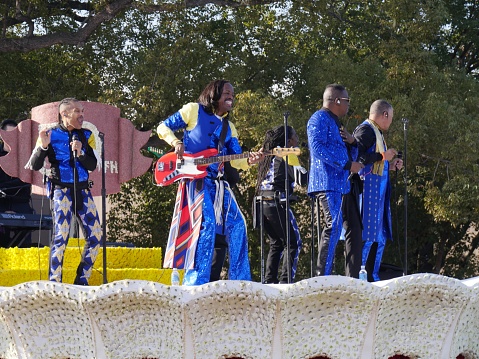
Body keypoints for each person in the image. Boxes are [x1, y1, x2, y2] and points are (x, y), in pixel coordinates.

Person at [157, 79, 263, 286]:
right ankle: (195, 282)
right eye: (227, 93)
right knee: (206, 225)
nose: (231, 97)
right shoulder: (193, 111)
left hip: (217, 184)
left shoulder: (228, 127)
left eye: (233, 94)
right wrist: (176, 142)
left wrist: (251, 160)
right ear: (214, 94)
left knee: (238, 225)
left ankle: (241, 282)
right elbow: (163, 127)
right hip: (196, 182)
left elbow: (237, 158)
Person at [26, 98, 102, 285]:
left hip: (83, 191)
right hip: (61, 190)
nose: (81, 115)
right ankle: (55, 283)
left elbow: (92, 165)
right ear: (64, 114)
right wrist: (43, 146)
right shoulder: (49, 134)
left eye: (82, 111)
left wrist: (81, 152)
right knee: (62, 236)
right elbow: (35, 165)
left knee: (96, 236)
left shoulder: (86, 134)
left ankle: (82, 281)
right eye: (77, 111)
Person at [307, 84, 364, 276]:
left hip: (341, 184)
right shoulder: (318, 119)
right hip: (326, 182)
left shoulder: (336, 122)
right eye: (347, 101)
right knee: (334, 225)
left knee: (341, 226)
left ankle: (328, 273)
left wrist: (353, 142)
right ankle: (321, 275)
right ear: (337, 100)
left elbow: (349, 154)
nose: (349, 105)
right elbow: (317, 148)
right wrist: (347, 164)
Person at [353, 99, 403, 281]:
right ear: (385, 115)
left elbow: (374, 163)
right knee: (368, 237)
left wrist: (389, 165)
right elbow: (357, 158)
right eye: (391, 118)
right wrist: (383, 156)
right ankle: (361, 278)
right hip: (368, 193)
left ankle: (373, 277)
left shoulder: (377, 132)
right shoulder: (365, 130)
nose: (390, 122)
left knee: (378, 238)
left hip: (378, 194)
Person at [255, 125, 307, 284]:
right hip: (277, 202)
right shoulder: (287, 153)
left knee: (276, 243)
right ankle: (286, 283)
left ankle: (269, 281)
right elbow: (302, 180)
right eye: (296, 136)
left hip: (261, 203)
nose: (298, 140)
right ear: (289, 140)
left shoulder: (269, 154)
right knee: (294, 243)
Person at [0, 119, 34, 247]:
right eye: (9, 135)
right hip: (1, 203)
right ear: (2, 135)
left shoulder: (26, 156)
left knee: (24, 242)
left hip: (20, 203)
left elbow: (27, 181)